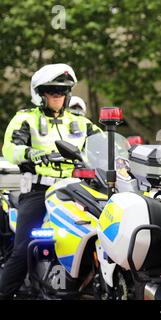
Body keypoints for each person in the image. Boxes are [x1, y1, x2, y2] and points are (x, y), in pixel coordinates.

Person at [0, 63, 98, 299]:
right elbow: (11, 148)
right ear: (41, 94)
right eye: (52, 91)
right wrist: (30, 153)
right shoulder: (26, 119)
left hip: (76, 190)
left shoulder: (80, 122)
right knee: (24, 247)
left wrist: (119, 157)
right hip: (39, 191)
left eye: (62, 91)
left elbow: (102, 144)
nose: (58, 96)